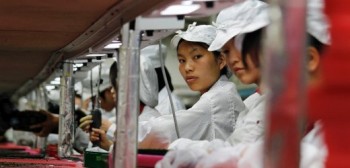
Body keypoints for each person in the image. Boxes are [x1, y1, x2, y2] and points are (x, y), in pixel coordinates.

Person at [157, 0, 331, 167]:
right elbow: (243, 151)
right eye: (226, 50)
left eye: (239, 48)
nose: (233, 59)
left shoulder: (286, 106)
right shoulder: (265, 101)